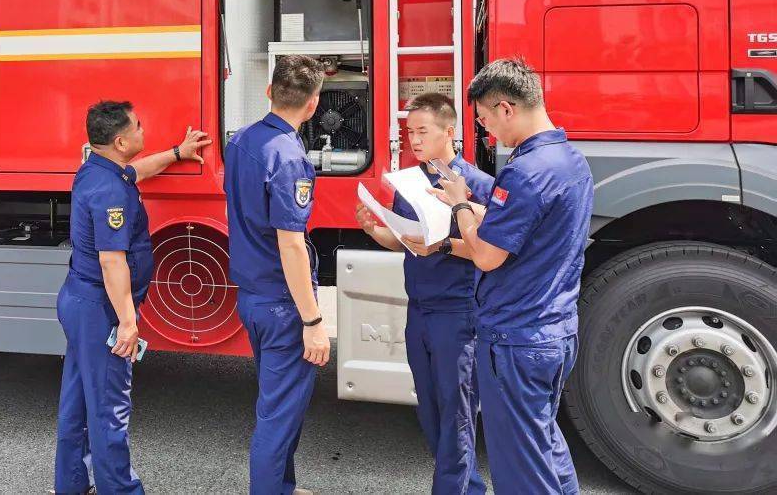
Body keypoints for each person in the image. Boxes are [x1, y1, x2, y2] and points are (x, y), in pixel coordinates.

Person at [429, 59, 593, 495]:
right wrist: (477, 214)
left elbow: (485, 256)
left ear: (506, 108)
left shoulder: (525, 171)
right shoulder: (570, 160)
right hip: (555, 330)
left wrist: (459, 203)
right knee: (543, 444)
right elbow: (531, 229)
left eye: (485, 120)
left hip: (516, 338)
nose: (486, 132)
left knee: (520, 470)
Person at [54, 101, 210, 495]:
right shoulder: (110, 189)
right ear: (121, 142)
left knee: (78, 400)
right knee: (109, 408)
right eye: (138, 126)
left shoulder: (96, 169)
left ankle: (71, 484)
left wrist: (177, 153)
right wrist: (127, 321)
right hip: (100, 309)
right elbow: (111, 261)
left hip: (81, 301)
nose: (144, 130)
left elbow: (136, 171)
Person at [355, 93, 493, 494]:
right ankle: (469, 488)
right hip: (418, 310)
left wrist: (444, 246)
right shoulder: (410, 182)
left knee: (456, 414)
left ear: (449, 132)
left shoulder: (477, 186)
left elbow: (490, 253)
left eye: (422, 131)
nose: (413, 140)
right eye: (408, 132)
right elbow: (406, 241)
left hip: (457, 313)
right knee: (430, 412)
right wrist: (373, 229)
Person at [224, 55, 330, 495]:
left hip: (253, 297)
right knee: (278, 415)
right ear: (314, 104)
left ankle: (283, 487)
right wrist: (313, 321)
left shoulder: (241, 141)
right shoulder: (289, 157)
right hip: (282, 304)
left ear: (269, 92)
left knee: (280, 407)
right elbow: (291, 244)